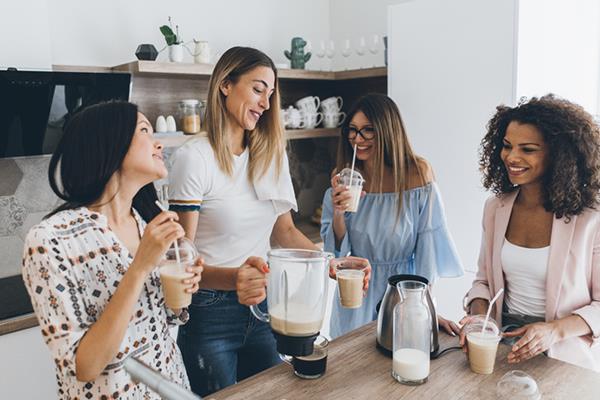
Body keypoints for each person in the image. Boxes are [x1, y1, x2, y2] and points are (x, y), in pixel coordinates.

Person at [168, 46, 356, 396]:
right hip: (209, 314)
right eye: (257, 89)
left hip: (266, 306)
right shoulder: (194, 158)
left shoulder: (270, 153)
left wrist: (334, 263)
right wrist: (234, 278)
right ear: (225, 84)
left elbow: (283, 231)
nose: (266, 104)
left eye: (271, 94)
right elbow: (183, 261)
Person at [21, 101, 206, 399]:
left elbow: (163, 319)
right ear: (110, 144)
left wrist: (180, 292)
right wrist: (140, 267)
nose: (158, 142)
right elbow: (86, 366)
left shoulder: (147, 223)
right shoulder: (50, 239)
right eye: (144, 129)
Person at [461, 94, 600, 371]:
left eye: (528, 149)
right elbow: (483, 282)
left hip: (561, 356)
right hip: (498, 349)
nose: (512, 157)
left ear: (559, 154)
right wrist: (480, 319)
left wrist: (553, 331)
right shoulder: (496, 207)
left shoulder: (590, 217)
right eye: (507, 146)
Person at [320, 93, 464, 339]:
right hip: (356, 292)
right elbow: (337, 253)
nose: (358, 139)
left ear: (387, 130)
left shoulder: (417, 175)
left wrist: (425, 305)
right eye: (353, 130)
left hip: (401, 292)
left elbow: (427, 248)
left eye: (368, 130)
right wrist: (338, 213)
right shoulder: (346, 176)